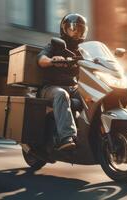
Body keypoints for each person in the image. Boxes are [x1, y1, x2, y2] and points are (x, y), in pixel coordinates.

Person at [37, 13, 88, 151]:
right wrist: (52, 60)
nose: (76, 31)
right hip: (51, 88)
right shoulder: (55, 45)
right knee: (61, 94)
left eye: (79, 29)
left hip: (73, 88)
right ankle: (66, 137)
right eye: (73, 28)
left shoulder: (82, 52)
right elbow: (41, 59)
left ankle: (92, 134)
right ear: (64, 29)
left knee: (92, 95)